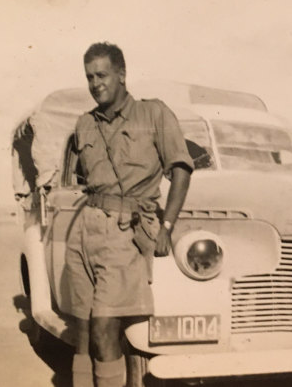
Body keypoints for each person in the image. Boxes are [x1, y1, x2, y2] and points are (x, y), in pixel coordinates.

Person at [65, 42, 193, 387]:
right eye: (89, 77)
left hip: (126, 231)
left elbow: (180, 170)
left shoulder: (154, 115)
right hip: (84, 232)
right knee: (82, 327)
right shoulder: (83, 124)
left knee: (106, 327)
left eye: (102, 75)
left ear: (122, 75)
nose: (95, 84)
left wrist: (166, 225)